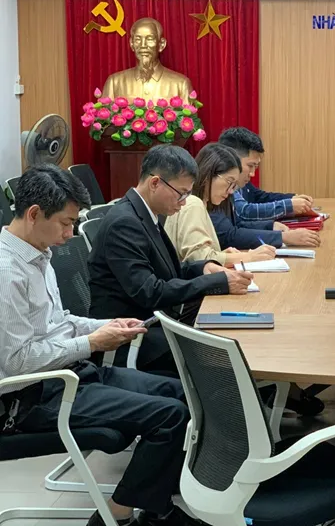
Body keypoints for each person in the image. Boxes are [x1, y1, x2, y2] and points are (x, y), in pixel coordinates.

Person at [0, 165, 198, 526]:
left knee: (183, 394)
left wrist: (106, 325)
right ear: (34, 214)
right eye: (65, 223)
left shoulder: (37, 253)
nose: (69, 234)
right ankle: (121, 512)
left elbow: (58, 322)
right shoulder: (7, 272)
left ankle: (155, 504)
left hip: (68, 374)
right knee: (170, 417)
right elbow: (16, 363)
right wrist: (91, 342)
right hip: (31, 398)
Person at [88, 145, 253, 374]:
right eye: (181, 193)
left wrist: (204, 268)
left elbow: (165, 271)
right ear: (155, 183)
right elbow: (151, 292)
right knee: (222, 355)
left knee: (230, 339)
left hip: (156, 324)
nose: (184, 202)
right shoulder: (124, 223)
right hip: (133, 338)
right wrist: (217, 283)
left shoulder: (145, 213)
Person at [164, 143, 277, 265]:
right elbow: (200, 259)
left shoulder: (198, 204)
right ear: (208, 175)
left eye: (234, 185)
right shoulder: (192, 203)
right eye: (229, 181)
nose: (231, 191)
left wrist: (221, 254)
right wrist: (248, 257)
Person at [217, 127, 318, 230]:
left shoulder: (241, 181)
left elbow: (259, 196)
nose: (252, 174)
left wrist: (291, 198)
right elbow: (244, 212)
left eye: (255, 166)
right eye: (250, 166)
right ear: (232, 159)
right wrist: (287, 205)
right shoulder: (220, 185)